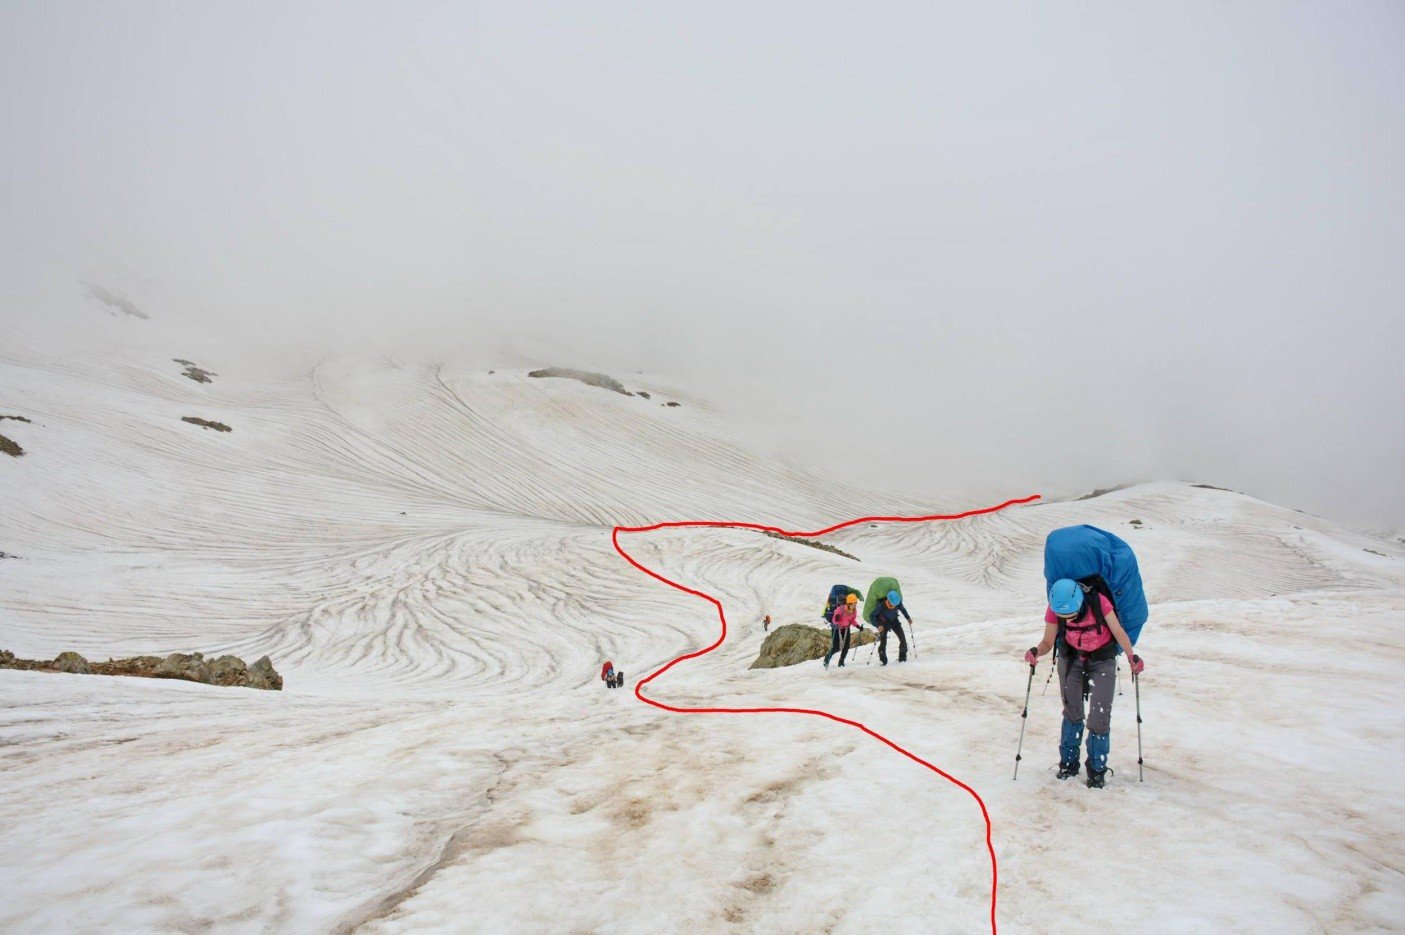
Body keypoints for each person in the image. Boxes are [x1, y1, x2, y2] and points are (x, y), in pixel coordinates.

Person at [1024, 578, 1145, 788]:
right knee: (1072, 712)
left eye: (1070, 615)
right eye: (1063, 616)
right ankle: (1068, 764)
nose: (1067, 619)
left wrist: (1131, 656)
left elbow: (1117, 632)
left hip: (1102, 660)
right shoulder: (1054, 610)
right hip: (1072, 660)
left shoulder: (1099, 602)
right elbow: (1047, 642)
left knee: (1100, 716)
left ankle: (1097, 769)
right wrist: (1036, 652)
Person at [871, 589, 911, 665]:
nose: (893, 607)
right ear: (888, 601)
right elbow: (872, 616)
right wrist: (878, 625)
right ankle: (883, 661)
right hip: (882, 623)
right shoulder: (881, 606)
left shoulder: (897, 603)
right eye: (892, 605)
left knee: (903, 639)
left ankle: (902, 660)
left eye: (894, 605)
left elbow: (903, 609)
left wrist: (908, 618)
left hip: (894, 621)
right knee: (883, 642)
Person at [824, 593, 861, 668]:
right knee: (836, 647)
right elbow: (834, 620)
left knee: (846, 646)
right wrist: (836, 619)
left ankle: (841, 662)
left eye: (855, 604)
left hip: (846, 628)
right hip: (836, 628)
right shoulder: (840, 609)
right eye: (853, 604)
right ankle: (826, 659)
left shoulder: (854, 611)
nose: (854, 606)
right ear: (848, 604)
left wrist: (857, 626)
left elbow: (852, 620)